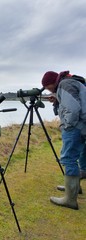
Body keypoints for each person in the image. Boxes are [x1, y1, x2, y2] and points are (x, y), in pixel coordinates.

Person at [41, 70, 86, 210]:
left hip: (75, 127)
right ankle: (74, 188)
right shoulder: (70, 82)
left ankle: (70, 199)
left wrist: (66, 125)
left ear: (52, 82)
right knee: (79, 157)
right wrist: (58, 99)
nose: (48, 90)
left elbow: (73, 109)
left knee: (68, 159)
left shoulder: (64, 85)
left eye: (48, 87)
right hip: (82, 125)